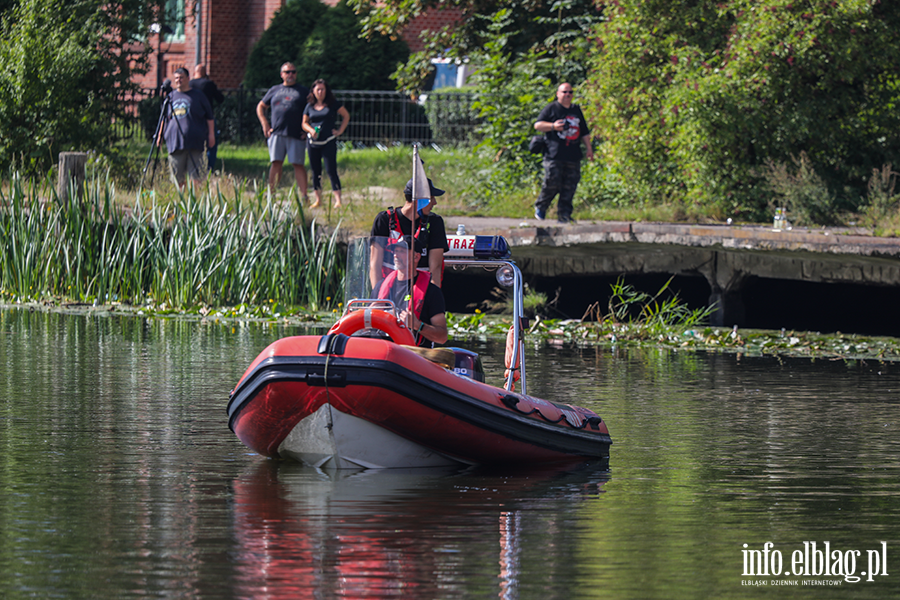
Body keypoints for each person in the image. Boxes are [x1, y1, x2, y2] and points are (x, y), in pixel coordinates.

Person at [369, 177, 449, 289]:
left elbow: (435, 268)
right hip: (388, 292)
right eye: (431, 198)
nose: (435, 203)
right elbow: (375, 265)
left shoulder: (435, 222)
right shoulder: (383, 220)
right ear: (419, 200)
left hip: (421, 291)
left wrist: (432, 298)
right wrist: (378, 299)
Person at [533, 82, 594, 224]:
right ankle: (541, 207)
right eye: (564, 92)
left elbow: (584, 132)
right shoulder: (552, 108)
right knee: (552, 182)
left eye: (570, 92)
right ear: (558, 94)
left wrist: (589, 149)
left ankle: (564, 215)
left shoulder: (576, 110)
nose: (568, 95)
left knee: (570, 185)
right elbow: (538, 125)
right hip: (554, 154)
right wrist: (553, 126)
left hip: (573, 154)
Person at [376, 236, 448, 348]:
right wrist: (370, 312)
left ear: (416, 256)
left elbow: (442, 337)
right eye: (395, 251)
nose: (395, 255)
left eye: (401, 251)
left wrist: (418, 326)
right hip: (383, 350)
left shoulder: (432, 291)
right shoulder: (380, 286)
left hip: (415, 356)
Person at [156, 67, 215, 191]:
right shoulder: (170, 97)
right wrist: (160, 135)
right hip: (175, 142)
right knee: (177, 178)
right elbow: (164, 118)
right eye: (176, 78)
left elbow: (209, 117)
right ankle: (180, 200)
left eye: (181, 77)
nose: (179, 80)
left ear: (188, 78)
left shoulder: (198, 96)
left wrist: (211, 135)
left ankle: (194, 201)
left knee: (196, 176)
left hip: (195, 141)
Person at [257, 62, 309, 199]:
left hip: (296, 134)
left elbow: (314, 110)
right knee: (276, 163)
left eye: (293, 72)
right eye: (287, 72)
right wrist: (265, 124)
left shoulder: (303, 91)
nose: (290, 74)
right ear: (282, 75)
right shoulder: (274, 90)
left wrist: (308, 129)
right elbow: (261, 106)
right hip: (277, 133)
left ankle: (304, 195)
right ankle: (272, 194)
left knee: (298, 164)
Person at [302, 79, 349, 208]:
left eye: (322, 89)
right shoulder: (309, 106)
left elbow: (346, 116)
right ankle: (318, 200)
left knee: (331, 170)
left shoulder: (333, 104)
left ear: (326, 91)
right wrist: (311, 130)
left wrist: (340, 131)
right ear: (313, 91)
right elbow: (304, 123)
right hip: (313, 143)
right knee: (315, 171)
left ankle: (338, 200)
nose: (320, 92)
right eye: (318, 89)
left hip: (328, 141)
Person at [189, 64, 224, 172]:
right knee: (211, 144)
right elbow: (220, 99)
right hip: (207, 117)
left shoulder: (189, 84)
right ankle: (209, 169)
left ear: (194, 73)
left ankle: (194, 167)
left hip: (192, 119)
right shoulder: (208, 84)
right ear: (205, 73)